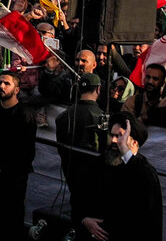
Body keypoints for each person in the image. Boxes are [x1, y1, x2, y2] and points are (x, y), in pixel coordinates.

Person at [80, 112, 163, 241]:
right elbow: (82, 195)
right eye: (112, 135)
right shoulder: (102, 163)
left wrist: (124, 148)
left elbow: (147, 216)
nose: (114, 141)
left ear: (134, 142)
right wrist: (85, 219)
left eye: (120, 136)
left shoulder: (145, 171)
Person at [0, 69, 38, 240]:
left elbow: (26, 149)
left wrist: (2, 166)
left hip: (14, 176)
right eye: (0, 82)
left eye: (6, 83)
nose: (1, 86)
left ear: (16, 90)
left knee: (13, 217)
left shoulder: (25, 114)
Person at [55, 73, 107, 225]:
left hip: (72, 177)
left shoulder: (64, 116)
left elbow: (61, 148)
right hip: (95, 184)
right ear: (98, 90)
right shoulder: (101, 117)